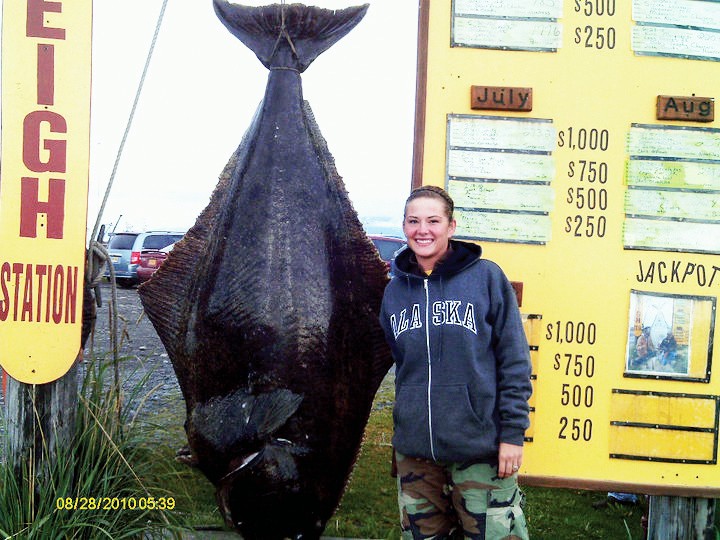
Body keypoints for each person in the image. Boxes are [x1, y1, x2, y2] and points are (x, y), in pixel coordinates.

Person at [379, 185, 532, 539]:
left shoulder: (486, 278)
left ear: (451, 226)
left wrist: (512, 434)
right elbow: (401, 366)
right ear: (404, 227)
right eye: (414, 221)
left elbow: (514, 362)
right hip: (417, 453)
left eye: (434, 220)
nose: (423, 230)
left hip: (479, 448)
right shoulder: (394, 292)